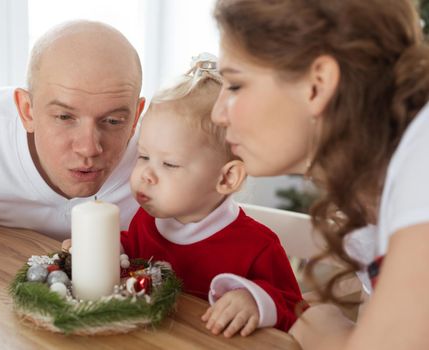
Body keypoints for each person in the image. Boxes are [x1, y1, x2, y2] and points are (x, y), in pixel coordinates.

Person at [211, 0, 429, 348]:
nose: (218, 114)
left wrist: (332, 336)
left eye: (235, 86)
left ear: (318, 84)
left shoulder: (423, 157)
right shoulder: (372, 184)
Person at [0, 20, 145, 269]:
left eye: (113, 121)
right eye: (64, 117)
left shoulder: (169, 152)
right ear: (27, 110)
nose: (89, 148)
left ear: (136, 117)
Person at [112, 54, 302, 336]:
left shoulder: (258, 247)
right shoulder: (146, 220)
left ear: (226, 178)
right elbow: (134, 253)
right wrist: (108, 248)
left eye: (169, 164)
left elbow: (295, 311)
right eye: (143, 156)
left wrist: (255, 301)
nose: (145, 175)